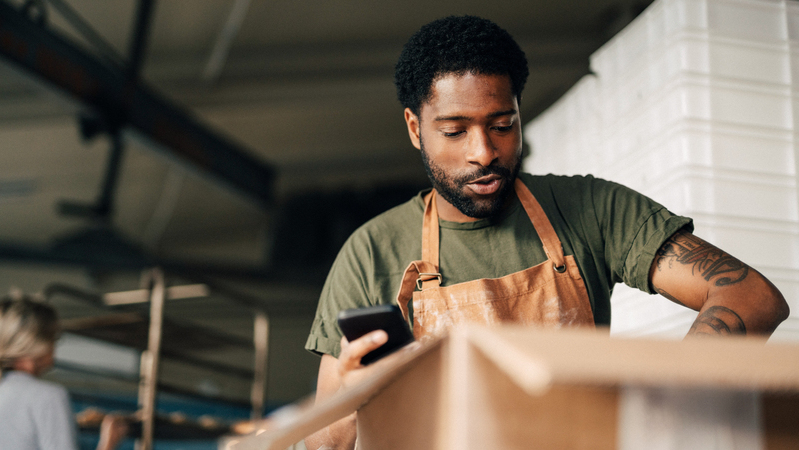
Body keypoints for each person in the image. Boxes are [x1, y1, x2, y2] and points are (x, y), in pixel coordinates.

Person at [303, 15, 790, 450]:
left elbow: (751, 296)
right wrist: (351, 401)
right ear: (415, 128)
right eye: (455, 131)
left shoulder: (589, 209)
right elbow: (324, 446)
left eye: (502, 124)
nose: (484, 152)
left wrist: (665, 406)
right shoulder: (370, 253)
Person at [0, 295, 129, 450]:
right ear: (37, 344)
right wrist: (109, 443)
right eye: (53, 339)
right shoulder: (48, 396)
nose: (55, 348)